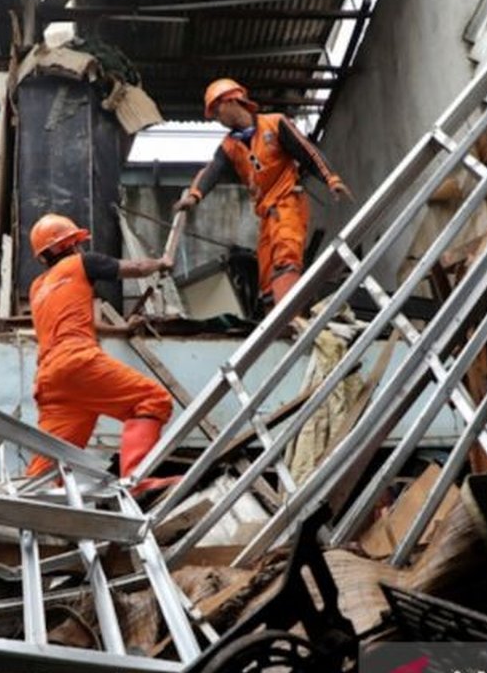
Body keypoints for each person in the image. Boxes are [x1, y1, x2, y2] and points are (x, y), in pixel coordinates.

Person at [23, 213, 178, 494]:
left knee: (48, 467)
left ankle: (23, 506)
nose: (80, 247)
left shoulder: (38, 288)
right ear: (69, 244)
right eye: (77, 242)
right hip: (78, 362)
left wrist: (121, 329)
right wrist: (161, 263)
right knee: (152, 399)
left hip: (51, 379)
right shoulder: (82, 263)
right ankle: (136, 481)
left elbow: (86, 322)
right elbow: (137, 268)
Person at [175, 78, 354, 310]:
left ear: (231, 101)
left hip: (287, 202)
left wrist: (331, 179)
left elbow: (308, 152)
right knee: (267, 272)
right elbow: (212, 170)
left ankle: (291, 316)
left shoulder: (275, 123)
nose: (217, 119)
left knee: (286, 255)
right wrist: (194, 196)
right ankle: (276, 321)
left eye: (217, 111)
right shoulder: (230, 146)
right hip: (266, 213)